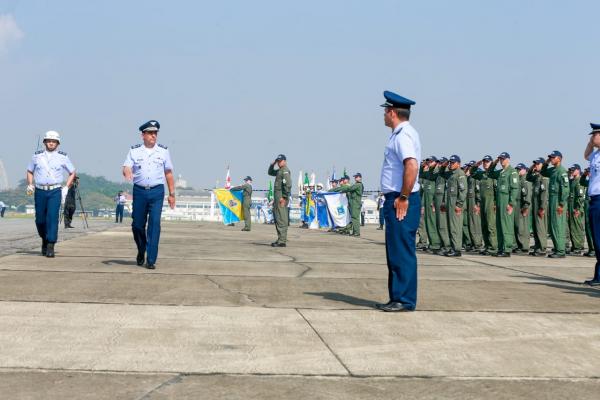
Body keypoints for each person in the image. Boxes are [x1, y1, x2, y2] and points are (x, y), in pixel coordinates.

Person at [375, 90, 421, 312]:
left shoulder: (403, 135)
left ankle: (404, 299)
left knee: (401, 250)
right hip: (396, 198)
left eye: (385, 111)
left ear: (392, 112)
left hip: (402, 199)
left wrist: (403, 197)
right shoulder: (401, 134)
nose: (384, 115)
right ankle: (398, 297)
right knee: (396, 251)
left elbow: (411, 165)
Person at [122, 120, 176, 269]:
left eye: (155, 133)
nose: (153, 136)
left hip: (157, 191)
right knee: (137, 225)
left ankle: (151, 259)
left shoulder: (163, 151)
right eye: (150, 133)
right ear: (143, 135)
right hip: (139, 191)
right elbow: (126, 166)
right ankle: (141, 249)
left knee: (154, 224)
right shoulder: (134, 151)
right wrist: (127, 171)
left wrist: (172, 194)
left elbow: (169, 173)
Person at [26, 130, 76, 257]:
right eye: (49, 141)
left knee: (52, 218)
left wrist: (66, 187)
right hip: (40, 190)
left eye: (54, 141)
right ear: (44, 142)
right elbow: (30, 171)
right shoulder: (36, 156)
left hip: (55, 191)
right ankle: (44, 239)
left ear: (58, 144)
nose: (51, 143)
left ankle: (50, 245)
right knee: (40, 220)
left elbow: (72, 172)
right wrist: (30, 184)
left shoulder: (63, 157)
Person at [487, 152, 519, 257]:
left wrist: (511, 203)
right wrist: (494, 163)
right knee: (499, 226)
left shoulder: (512, 172)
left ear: (508, 160)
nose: (502, 161)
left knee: (506, 226)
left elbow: (514, 189)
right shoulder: (501, 172)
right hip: (500, 200)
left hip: (506, 201)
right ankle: (500, 248)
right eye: (500, 159)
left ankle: (507, 249)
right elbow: (490, 173)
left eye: (503, 159)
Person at [540, 150, 569, 258]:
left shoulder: (562, 171)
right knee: (553, 226)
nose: (551, 159)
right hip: (552, 199)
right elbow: (542, 172)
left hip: (558, 200)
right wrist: (546, 162)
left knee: (558, 226)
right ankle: (557, 248)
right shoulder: (553, 170)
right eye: (550, 157)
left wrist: (561, 204)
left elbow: (565, 189)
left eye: (553, 157)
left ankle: (561, 251)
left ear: (559, 159)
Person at [470, 155, 498, 255]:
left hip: (490, 204)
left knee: (491, 226)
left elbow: (496, 190)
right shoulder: (481, 174)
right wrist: (476, 165)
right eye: (484, 162)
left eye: (487, 161)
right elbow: (472, 173)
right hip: (483, 203)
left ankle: (493, 247)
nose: (485, 163)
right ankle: (487, 246)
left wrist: (495, 203)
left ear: (491, 163)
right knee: (484, 225)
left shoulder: (494, 175)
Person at [583, 123, 600, 285]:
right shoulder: (595, 155)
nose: (591, 138)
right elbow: (586, 155)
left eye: (594, 135)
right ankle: (598, 275)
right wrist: (591, 143)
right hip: (594, 200)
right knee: (597, 239)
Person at [442, 155, 467, 257]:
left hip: (455, 205)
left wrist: (459, 204)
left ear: (458, 163)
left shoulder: (460, 174)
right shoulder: (451, 174)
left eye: (453, 162)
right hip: (449, 204)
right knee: (450, 227)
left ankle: (457, 249)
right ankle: (452, 247)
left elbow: (463, 190)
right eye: (450, 162)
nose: (451, 164)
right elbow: (441, 173)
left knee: (455, 227)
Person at [527, 158, 549, 256]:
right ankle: (537, 246)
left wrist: (542, 208)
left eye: (537, 164)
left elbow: (544, 194)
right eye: (535, 164)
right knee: (536, 227)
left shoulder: (544, 177)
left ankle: (542, 248)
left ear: (543, 165)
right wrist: (532, 167)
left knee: (541, 227)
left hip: (540, 205)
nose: (536, 165)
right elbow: (528, 177)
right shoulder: (536, 176)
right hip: (535, 203)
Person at [268, 154, 291, 247]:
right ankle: (280, 239)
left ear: (284, 161)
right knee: (278, 219)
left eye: (280, 161)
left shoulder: (285, 171)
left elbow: (288, 185)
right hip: (277, 199)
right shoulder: (279, 171)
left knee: (282, 219)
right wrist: (271, 164)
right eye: (277, 161)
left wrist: (284, 198)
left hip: (281, 199)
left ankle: (282, 241)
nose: (279, 163)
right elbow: (270, 172)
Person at [331, 173, 364, 237]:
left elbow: (349, 189)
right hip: (353, 203)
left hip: (355, 203)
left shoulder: (358, 185)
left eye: (357, 177)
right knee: (353, 218)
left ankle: (357, 232)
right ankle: (354, 232)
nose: (355, 178)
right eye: (355, 177)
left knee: (355, 218)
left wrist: (341, 190)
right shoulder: (356, 184)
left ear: (360, 178)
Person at [420, 157, 440, 252]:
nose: (429, 163)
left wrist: (434, 203)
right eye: (428, 162)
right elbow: (421, 174)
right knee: (428, 224)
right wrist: (421, 166)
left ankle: (435, 244)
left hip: (433, 203)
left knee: (433, 224)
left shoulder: (437, 173)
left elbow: (439, 190)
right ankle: (432, 244)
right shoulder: (429, 173)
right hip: (427, 202)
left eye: (431, 162)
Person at [513, 164, 531, 253]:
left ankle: (524, 245)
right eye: (517, 169)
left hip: (522, 204)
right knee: (518, 226)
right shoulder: (519, 180)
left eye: (520, 169)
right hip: (518, 204)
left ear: (524, 170)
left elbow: (527, 195)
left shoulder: (525, 180)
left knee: (522, 227)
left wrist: (526, 207)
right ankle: (519, 245)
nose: (518, 171)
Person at [567, 164, 585, 255]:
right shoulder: (572, 181)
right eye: (571, 170)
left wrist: (577, 208)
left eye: (573, 170)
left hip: (576, 208)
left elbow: (580, 197)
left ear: (578, 170)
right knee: (572, 227)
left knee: (576, 227)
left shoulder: (579, 181)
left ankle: (578, 247)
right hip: (571, 207)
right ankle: (574, 246)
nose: (571, 171)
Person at [581, 168, 595, 257]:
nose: (588, 173)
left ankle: (594, 249)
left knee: (592, 228)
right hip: (587, 206)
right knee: (588, 228)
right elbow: (582, 182)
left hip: (593, 205)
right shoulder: (590, 181)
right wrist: (584, 174)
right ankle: (591, 248)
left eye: (589, 171)